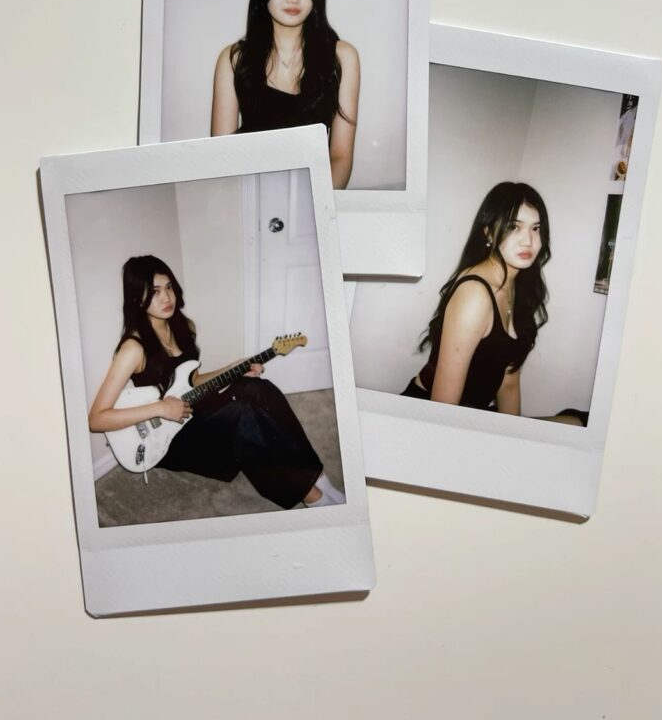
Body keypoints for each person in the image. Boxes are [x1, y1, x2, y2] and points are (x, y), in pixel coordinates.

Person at [88, 255, 345, 509]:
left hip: (192, 411)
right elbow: (97, 419)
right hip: (169, 439)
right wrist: (160, 408)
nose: (166, 298)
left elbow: (193, 381)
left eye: (169, 287)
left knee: (259, 388)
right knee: (243, 415)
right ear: (137, 297)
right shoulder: (133, 348)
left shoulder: (184, 327)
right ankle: (312, 496)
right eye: (155, 292)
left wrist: (233, 369)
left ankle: (317, 475)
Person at [211, 0, 360, 189]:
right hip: (250, 192)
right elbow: (221, 157)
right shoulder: (233, 59)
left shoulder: (343, 57)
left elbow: (341, 157)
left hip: (312, 195)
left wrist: (313, 205)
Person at [401, 182, 551, 413]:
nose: (528, 241)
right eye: (514, 227)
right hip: (430, 413)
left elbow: (509, 382)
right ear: (489, 233)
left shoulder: (517, 286)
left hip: (472, 414)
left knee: (579, 419)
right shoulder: (475, 294)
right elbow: (443, 406)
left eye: (536, 228)